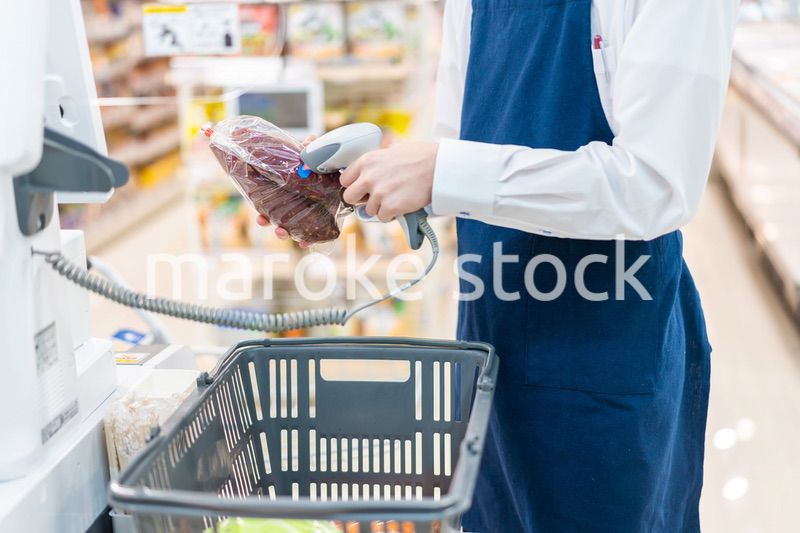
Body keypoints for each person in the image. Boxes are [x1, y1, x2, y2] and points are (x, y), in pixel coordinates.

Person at [259, 1, 739, 530]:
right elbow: (457, 152)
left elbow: (653, 184)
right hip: (489, 338)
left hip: (604, 349)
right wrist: (347, 187)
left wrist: (443, 171)